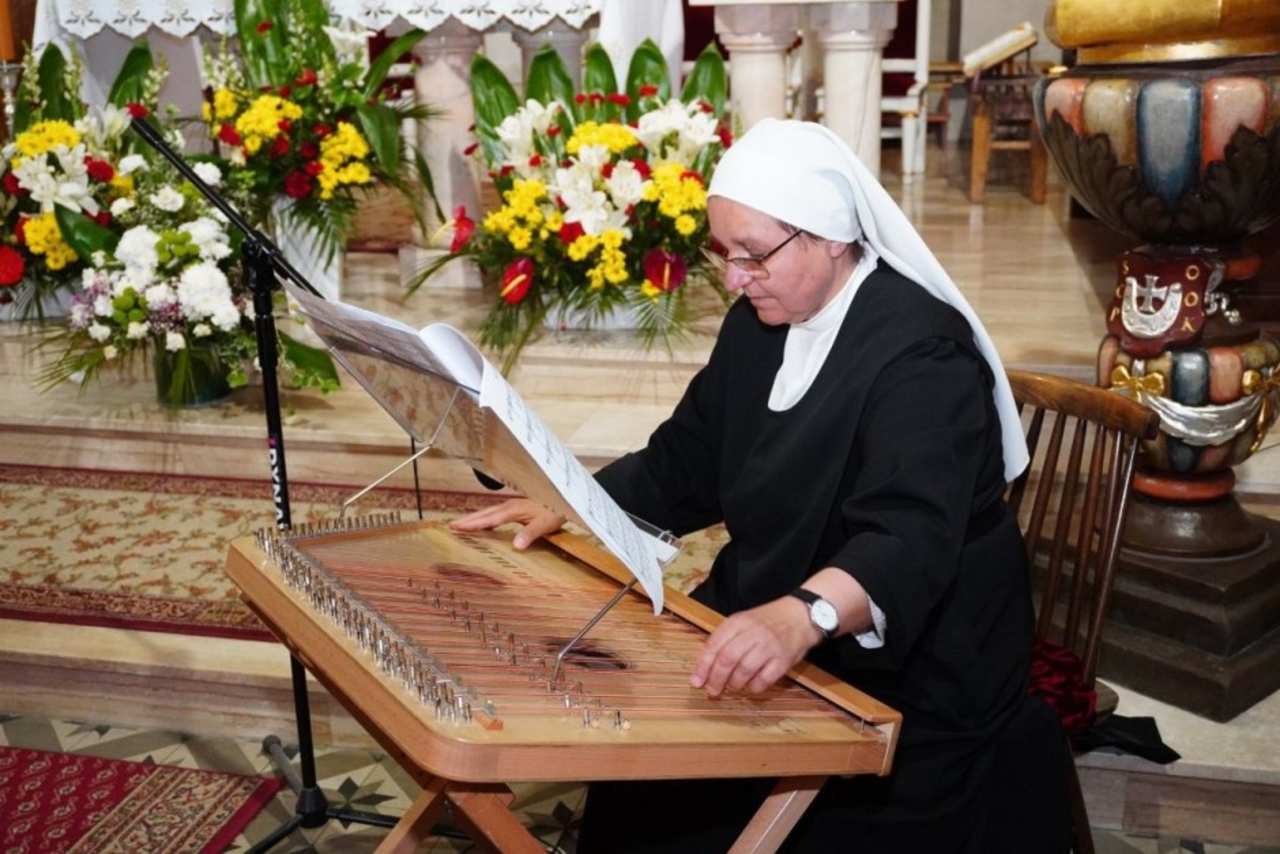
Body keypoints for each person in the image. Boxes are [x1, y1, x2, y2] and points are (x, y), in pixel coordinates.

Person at [451, 118, 1070, 852]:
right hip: (777, 600)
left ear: (831, 236)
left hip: (915, 661)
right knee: (645, 758)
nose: (735, 279)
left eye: (754, 256)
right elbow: (686, 459)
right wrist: (569, 502)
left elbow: (907, 536)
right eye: (724, 255)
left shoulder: (923, 354)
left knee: (723, 805)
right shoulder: (760, 320)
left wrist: (804, 615)